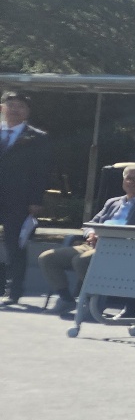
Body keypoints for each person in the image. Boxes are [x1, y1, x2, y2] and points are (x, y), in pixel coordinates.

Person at [38, 166, 135, 319]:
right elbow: (90, 224)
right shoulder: (112, 202)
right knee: (48, 257)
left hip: (120, 249)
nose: (132, 182)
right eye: (128, 178)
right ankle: (66, 299)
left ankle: (93, 304)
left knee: (81, 261)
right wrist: (91, 234)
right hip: (94, 244)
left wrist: (111, 238)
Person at [0, 91, 49, 306]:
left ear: (27, 111)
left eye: (20, 106)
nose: (14, 110)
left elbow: (41, 172)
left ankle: (14, 291)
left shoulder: (37, 138)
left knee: (15, 245)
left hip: (19, 200)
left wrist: (36, 200)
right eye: (11, 105)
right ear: (2, 108)